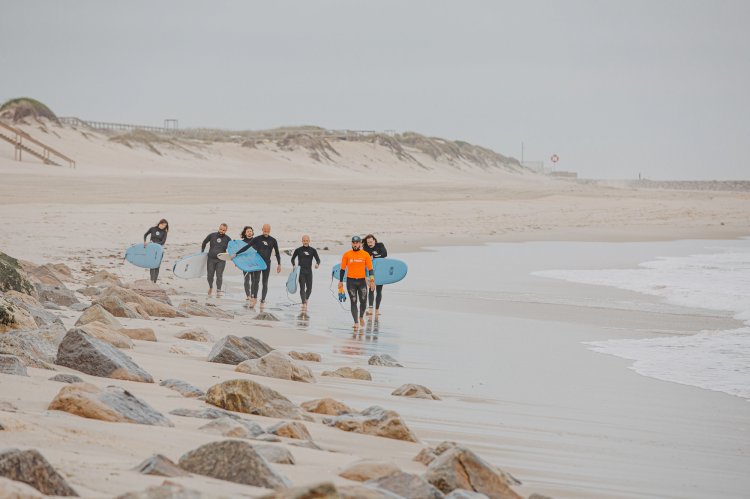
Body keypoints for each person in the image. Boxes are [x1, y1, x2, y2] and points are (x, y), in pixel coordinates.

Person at [237, 223, 280, 307]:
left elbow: (277, 253)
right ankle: (254, 298)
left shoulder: (273, 240)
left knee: (265, 282)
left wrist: (279, 264)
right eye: (265, 230)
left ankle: (263, 300)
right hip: (258, 263)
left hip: (267, 263)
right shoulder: (257, 239)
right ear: (262, 229)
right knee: (256, 281)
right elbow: (247, 247)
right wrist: (237, 254)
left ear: (269, 230)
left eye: (267, 230)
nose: (266, 232)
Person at [339, 235, 374, 330]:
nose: (355, 244)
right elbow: (342, 269)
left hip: (362, 281)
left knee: (363, 302)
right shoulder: (347, 254)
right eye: (353, 243)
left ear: (360, 244)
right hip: (350, 281)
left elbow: (370, 269)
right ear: (352, 243)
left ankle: (361, 316)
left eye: (357, 243)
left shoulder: (365, 254)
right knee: (353, 301)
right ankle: (356, 322)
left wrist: (371, 281)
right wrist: (340, 281)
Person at [201, 223, 231, 297]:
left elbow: (233, 247)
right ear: (219, 228)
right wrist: (202, 251)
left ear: (226, 230)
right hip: (211, 259)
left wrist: (231, 256)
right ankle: (211, 287)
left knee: (219, 275)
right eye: (221, 229)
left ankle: (218, 290)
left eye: (224, 230)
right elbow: (204, 242)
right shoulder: (212, 235)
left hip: (221, 259)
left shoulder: (228, 239)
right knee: (210, 275)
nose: (222, 231)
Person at [291, 235, 320, 310]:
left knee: (309, 288)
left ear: (309, 241)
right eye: (304, 240)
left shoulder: (313, 250)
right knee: (302, 288)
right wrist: (294, 265)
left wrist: (317, 264)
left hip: (309, 271)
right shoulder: (298, 250)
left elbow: (318, 259)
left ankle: (306, 299)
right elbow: (292, 259)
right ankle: (304, 303)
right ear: (302, 241)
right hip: (301, 272)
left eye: (307, 240)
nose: (305, 242)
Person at [363, 234, 387, 315]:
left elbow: (384, 254)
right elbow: (364, 259)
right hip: (370, 271)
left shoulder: (380, 245)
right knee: (371, 289)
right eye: (368, 242)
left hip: (380, 270)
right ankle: (370, 310)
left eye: (371, 241)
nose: (369, 243)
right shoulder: (365, 248)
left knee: (379, 291)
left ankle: (377, 310)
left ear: (374, 241)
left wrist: (374, 257)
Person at [143, 219, 168, 283]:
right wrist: (145, 242)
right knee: (152, 265)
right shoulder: (152, 229)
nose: (163, 226)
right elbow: (145, 235)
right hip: (151, 250)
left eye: (165, 225)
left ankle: (155, 282)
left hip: (159, 250)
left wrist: (154, 243)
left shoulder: (164, 232)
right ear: (160, 223)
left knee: (157, 266)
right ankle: (152, 281)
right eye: (163, 224)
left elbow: (163, 242)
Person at [237, 226, 255, 302]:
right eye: (248, 231)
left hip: (254, 263)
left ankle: (253, 294)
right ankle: (248, 295)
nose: (249, 232)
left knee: (254, 280)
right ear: (245, 233)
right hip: (245, 263)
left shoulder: (256, 240)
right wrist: (237, 262)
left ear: (252, 232)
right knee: (246, 279)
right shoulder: (242, 242)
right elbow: (239, 253)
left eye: (250, 231)